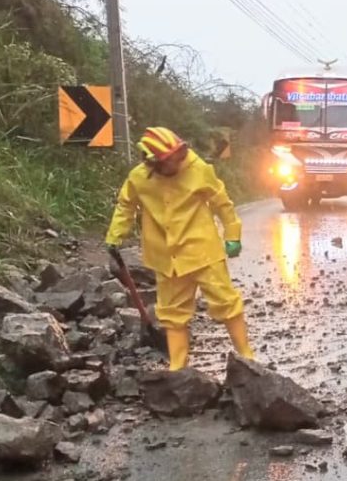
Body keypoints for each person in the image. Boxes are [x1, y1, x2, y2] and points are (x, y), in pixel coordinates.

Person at [105, 126, 253, 370]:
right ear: (152, 163)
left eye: (179, 157)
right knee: (172, 312)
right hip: (165, 257)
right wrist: (114, 236)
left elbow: (222, 204)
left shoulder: (198, 169)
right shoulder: (138, 178)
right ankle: (178, 366)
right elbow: (126, 206)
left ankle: (246, 355)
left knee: (225, 301)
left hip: (202, 250)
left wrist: (233, 234)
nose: (177, 164)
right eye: (170, 161)